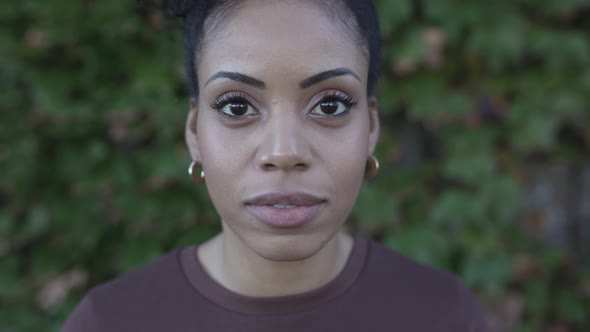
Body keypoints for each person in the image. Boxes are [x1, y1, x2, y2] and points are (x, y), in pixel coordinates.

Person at [63, 0, 489, 331]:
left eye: (329, 104)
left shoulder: (443, 314)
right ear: (194, 131)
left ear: (371, 128)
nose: (284, 152)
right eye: (236, 106)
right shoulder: (109, 322)